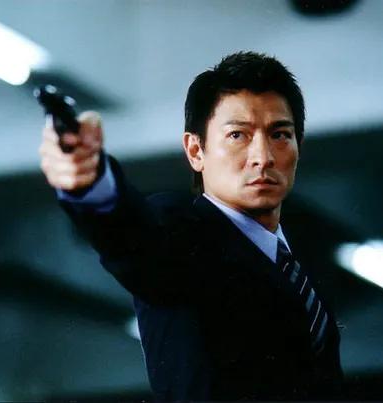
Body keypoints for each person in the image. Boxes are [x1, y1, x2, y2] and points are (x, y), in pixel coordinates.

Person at [38, 51, 344, 400]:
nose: (263, 157)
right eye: (238, 135)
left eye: (280, 134)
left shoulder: (299, 262)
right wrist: (92, 183)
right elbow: (136, 236)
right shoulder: (183, 233)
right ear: (196, 151)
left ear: (298, 146)